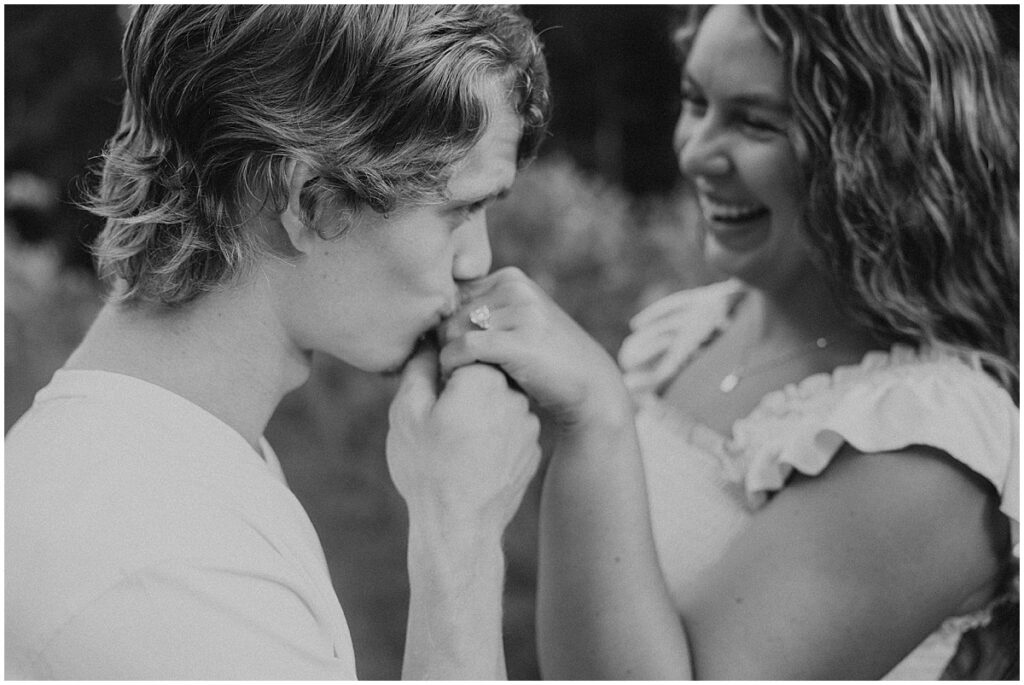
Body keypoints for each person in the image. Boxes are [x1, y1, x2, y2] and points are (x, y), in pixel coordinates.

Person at [439, 4, 1019, 679]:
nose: (696, 151)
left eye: (755, 121)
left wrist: (594, 413)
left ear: (883, 149)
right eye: (695, 100)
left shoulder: (932, 444)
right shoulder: (696, 327)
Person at [5, 5, 550, 679]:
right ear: (307, 201)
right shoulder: (162, 569)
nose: (478, 260)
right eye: (461, 210)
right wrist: (460, 537)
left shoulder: (167, 467)